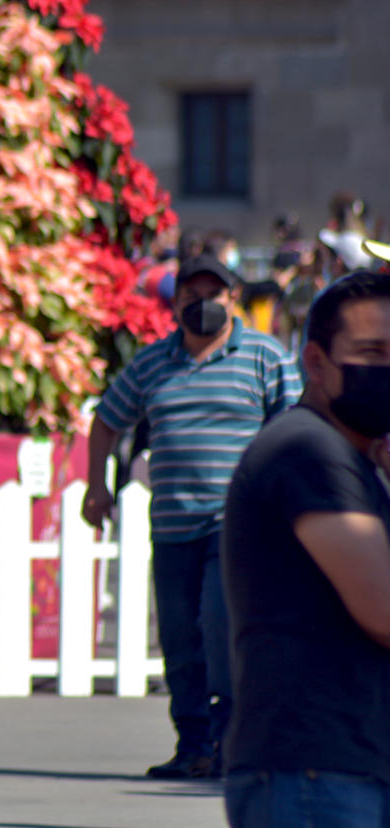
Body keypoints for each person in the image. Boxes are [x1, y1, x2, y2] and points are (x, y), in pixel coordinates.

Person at [81, 253, 301, 779]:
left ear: (233, 298)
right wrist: (96, 488)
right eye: (191, 295)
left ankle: (231, 741)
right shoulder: (152, 363)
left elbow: (295, 428)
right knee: (179, 639)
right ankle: (194, 745)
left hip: (238, 526)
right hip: (173, 524)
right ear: (175, 301)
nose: (203, 304)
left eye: (214, 294)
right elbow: (107, 422)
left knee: (220, 626)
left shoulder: (266, 357)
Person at [223, 270, 390, 826]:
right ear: (316, 363)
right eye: (371, 351)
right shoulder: (310, 452)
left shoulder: (356, 460)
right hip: (316, 775)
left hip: (341, 767)